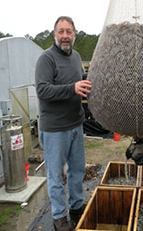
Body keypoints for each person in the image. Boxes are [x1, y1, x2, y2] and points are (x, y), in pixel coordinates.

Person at [35, 16, 91, 231]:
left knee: (77, 171)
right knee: (56, 176)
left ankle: (76, 207)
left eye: (69, 31)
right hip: (54, 130)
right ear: (55, 34)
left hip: (76, 125)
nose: (65, 35)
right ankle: (59, 217)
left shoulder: (76, 57)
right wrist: (72, 87)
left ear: (75, 34)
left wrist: (88, 79)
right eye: (61, 31)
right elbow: (42, 90)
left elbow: (79, 77)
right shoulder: (46, 59)